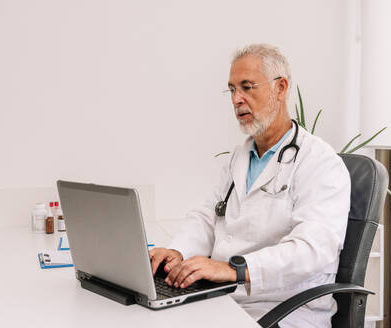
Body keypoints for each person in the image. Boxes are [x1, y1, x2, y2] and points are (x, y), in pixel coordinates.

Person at [149, 44, 350, 328]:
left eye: (247, 87)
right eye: (232, 89)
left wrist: (235, 270)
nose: (236, 99)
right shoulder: (240, 156)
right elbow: (209, 216)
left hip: (284, 310)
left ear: (280, 88)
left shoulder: (319, 162)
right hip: (223, 299)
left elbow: (313, 249)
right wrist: (178, 251)